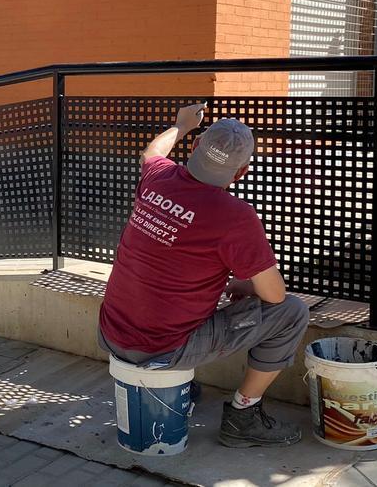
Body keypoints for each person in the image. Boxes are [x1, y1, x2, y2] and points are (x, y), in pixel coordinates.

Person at [98, 103, 309, 448]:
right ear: (241, 172)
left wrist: (182, 126)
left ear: (195, 149)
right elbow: (274, 296)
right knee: (292, 312)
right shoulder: (236, 217)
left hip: (111, 332)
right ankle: (243, 415)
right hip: (163, 349)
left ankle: (181, 386)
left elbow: (152, 151)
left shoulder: (158, 177)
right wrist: (244, 284)